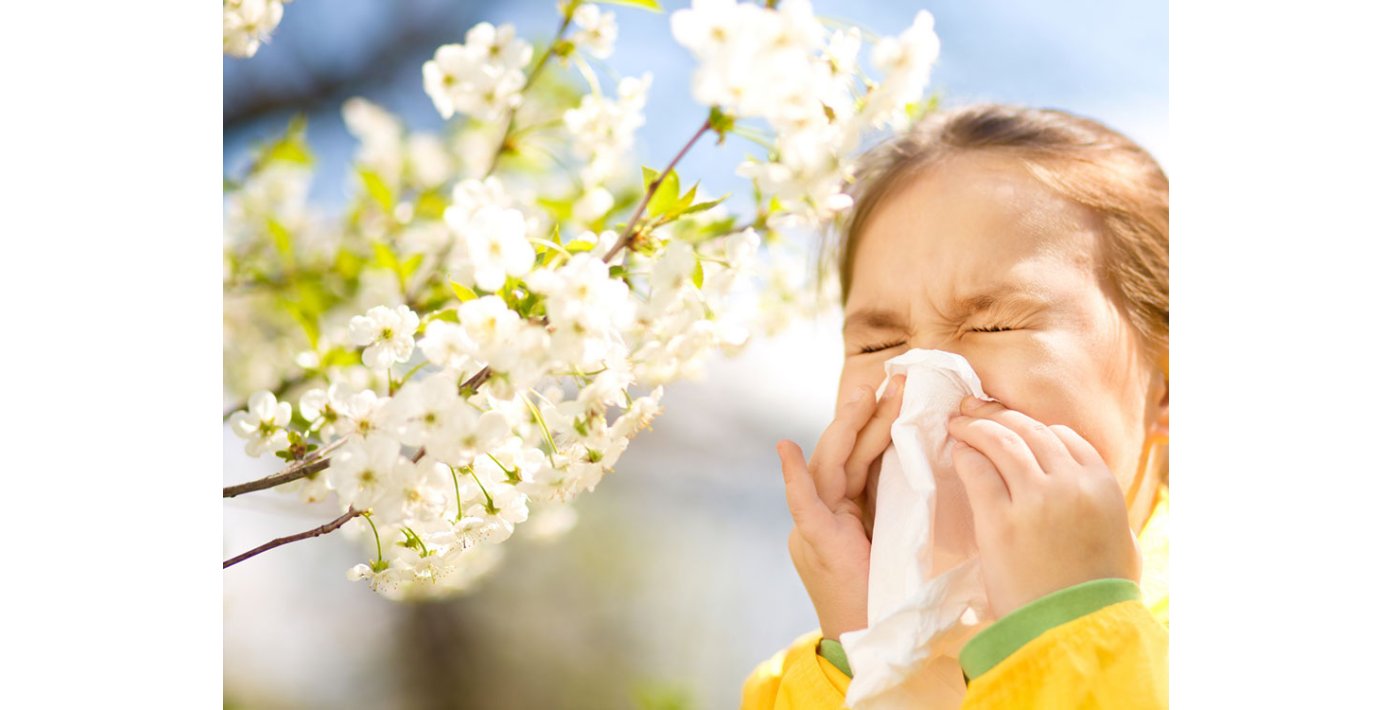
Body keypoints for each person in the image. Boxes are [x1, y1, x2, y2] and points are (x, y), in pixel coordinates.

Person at [743, 103, 1169, 708]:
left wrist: (1072, 630)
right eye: (879, 344)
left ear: (1168, 390)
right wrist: (869, 656)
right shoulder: (788, 688)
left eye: (995, 328)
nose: (927, 388)